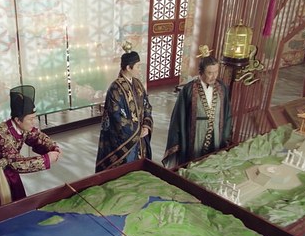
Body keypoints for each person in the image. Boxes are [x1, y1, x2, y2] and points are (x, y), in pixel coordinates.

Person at [0, 85, 61, 212]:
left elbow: (37, 137)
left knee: (17, 204)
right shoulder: (1, 135)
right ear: (17, 120)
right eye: (31, 119)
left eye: (34, 117)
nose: (34, 122)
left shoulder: (23, 126)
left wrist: (53, 147)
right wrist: (47, 159)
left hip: (8, 166)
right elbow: (18, 163)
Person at [162, 46, 234, 168]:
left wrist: (226, 137)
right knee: (194, 164)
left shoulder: (222, 88)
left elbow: (227, 114)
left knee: (213, 163)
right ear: (200, 72)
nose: (214, 76)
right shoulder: (189, 89)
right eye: (209, 73)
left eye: (216, 72)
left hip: (216, 134)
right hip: (195, 136)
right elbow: (178, 117)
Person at [95, 43, 153, 172]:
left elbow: (147, 105)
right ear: (128, 67)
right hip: (124, 142)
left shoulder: (138, 84)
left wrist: (146, 125)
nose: (139, 69)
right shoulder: (115, 89)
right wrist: (137, 130)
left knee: (141, 170)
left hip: (140, 138)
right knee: (126, 172)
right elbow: (116, 118)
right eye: (138, 66)